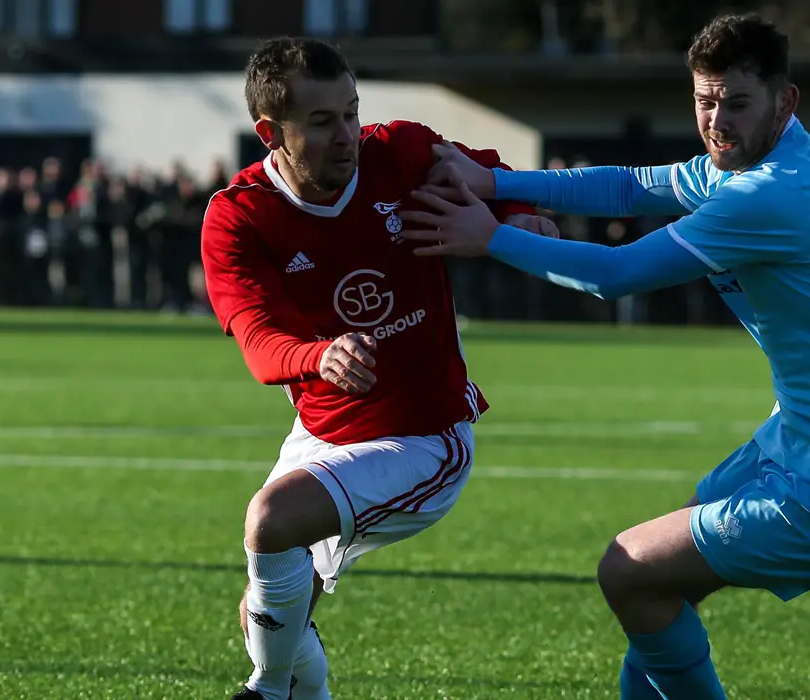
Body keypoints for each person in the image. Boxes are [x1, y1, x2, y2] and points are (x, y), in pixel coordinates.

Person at [398, 14, 810, 699]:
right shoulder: (781, 158)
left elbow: (615, 275)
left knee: (629, 569)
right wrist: (497, 187)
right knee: (658, 577)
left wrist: (488, 237)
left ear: (784, 101)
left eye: (736, 103)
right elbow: (632, 186)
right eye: (705, 101)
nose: (716, 121)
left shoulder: (773, 193)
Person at [199, 37, 555, 700]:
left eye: (352, 112)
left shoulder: (403, 155)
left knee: (270, 521)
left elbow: (493, 180)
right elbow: (257, 342)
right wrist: (317, 356)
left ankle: (265, 693)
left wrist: (522, 219)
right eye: (323, 121)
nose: (348, 135)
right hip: (324, 434)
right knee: (264, 613)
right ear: (270, 133)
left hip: (425, 437)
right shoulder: (239, 218)